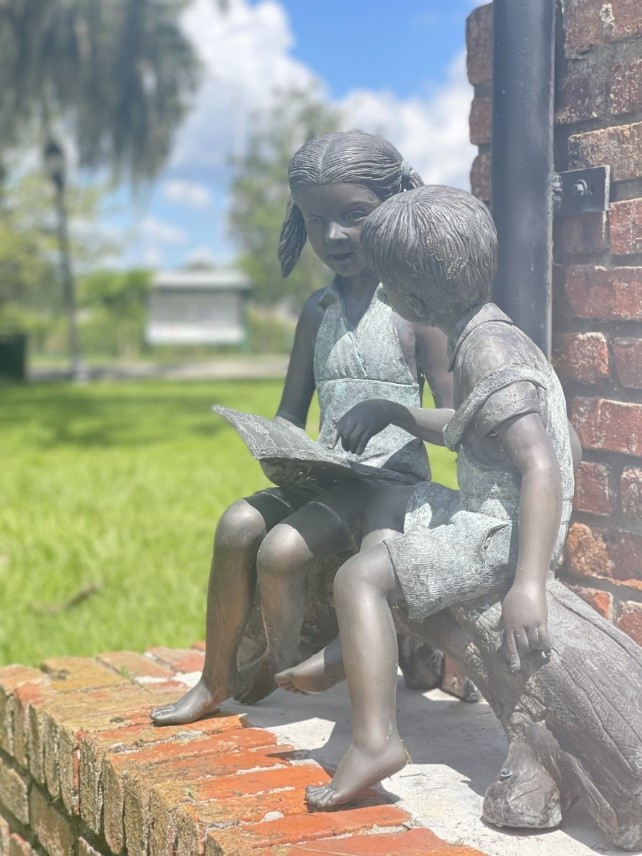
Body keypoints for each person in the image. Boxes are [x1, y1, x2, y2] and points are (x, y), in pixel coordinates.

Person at [279, 185, 577, 809]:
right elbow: (470, 425)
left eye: (386, 284)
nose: (380, 294)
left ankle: (374, 743)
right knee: (393, 504)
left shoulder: (485, 349)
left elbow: (541, 465)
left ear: (414, 296)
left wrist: (528, 585)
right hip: (490, 509)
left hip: (505, 531)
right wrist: (396, 410)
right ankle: (355, 645)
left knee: (359, 578)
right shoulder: (480, 328)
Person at [150, 134, 452, 726]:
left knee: (284, 549)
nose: (334, 237)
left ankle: (275, 661)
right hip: (325, 472)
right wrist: (279, 444)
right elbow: (292, 411)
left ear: (393, 210)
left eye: (353, 217)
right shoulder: (316, 310)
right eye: (317, 222)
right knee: (238, 523)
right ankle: (214, 679)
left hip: (387, 485)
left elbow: (455, 421)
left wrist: (395, 414)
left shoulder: (418, 311)